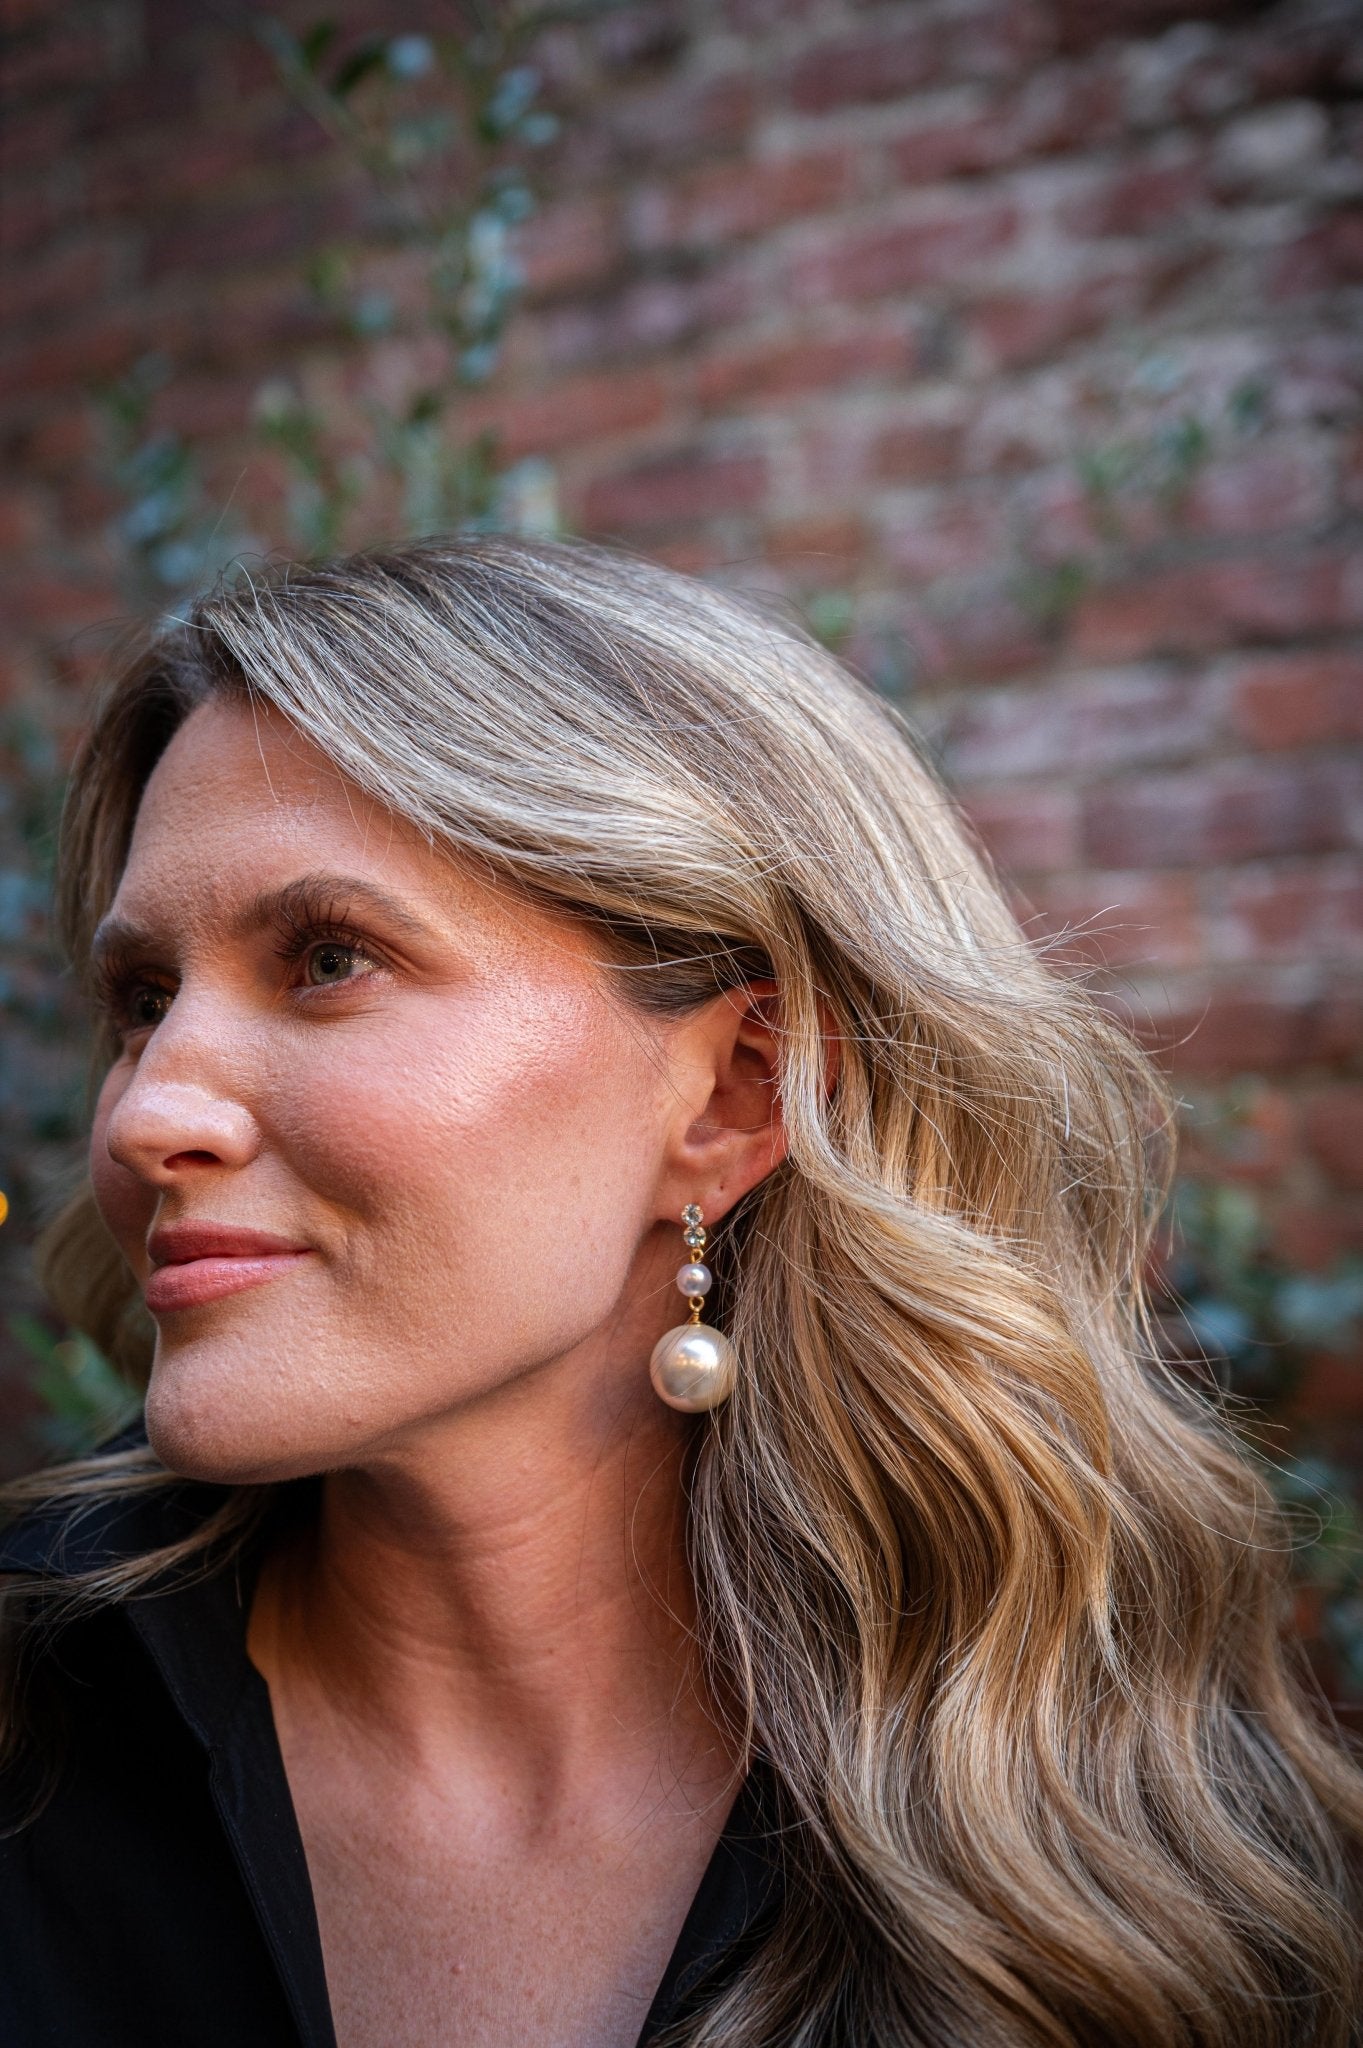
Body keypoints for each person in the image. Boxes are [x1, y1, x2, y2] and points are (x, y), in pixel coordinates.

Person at [0, 536, 1358, 2048]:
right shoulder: (32, 1730)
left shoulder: (1101, 1852)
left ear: (732, 1094)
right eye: (144, 999)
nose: (145, 1114)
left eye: (329, 959)